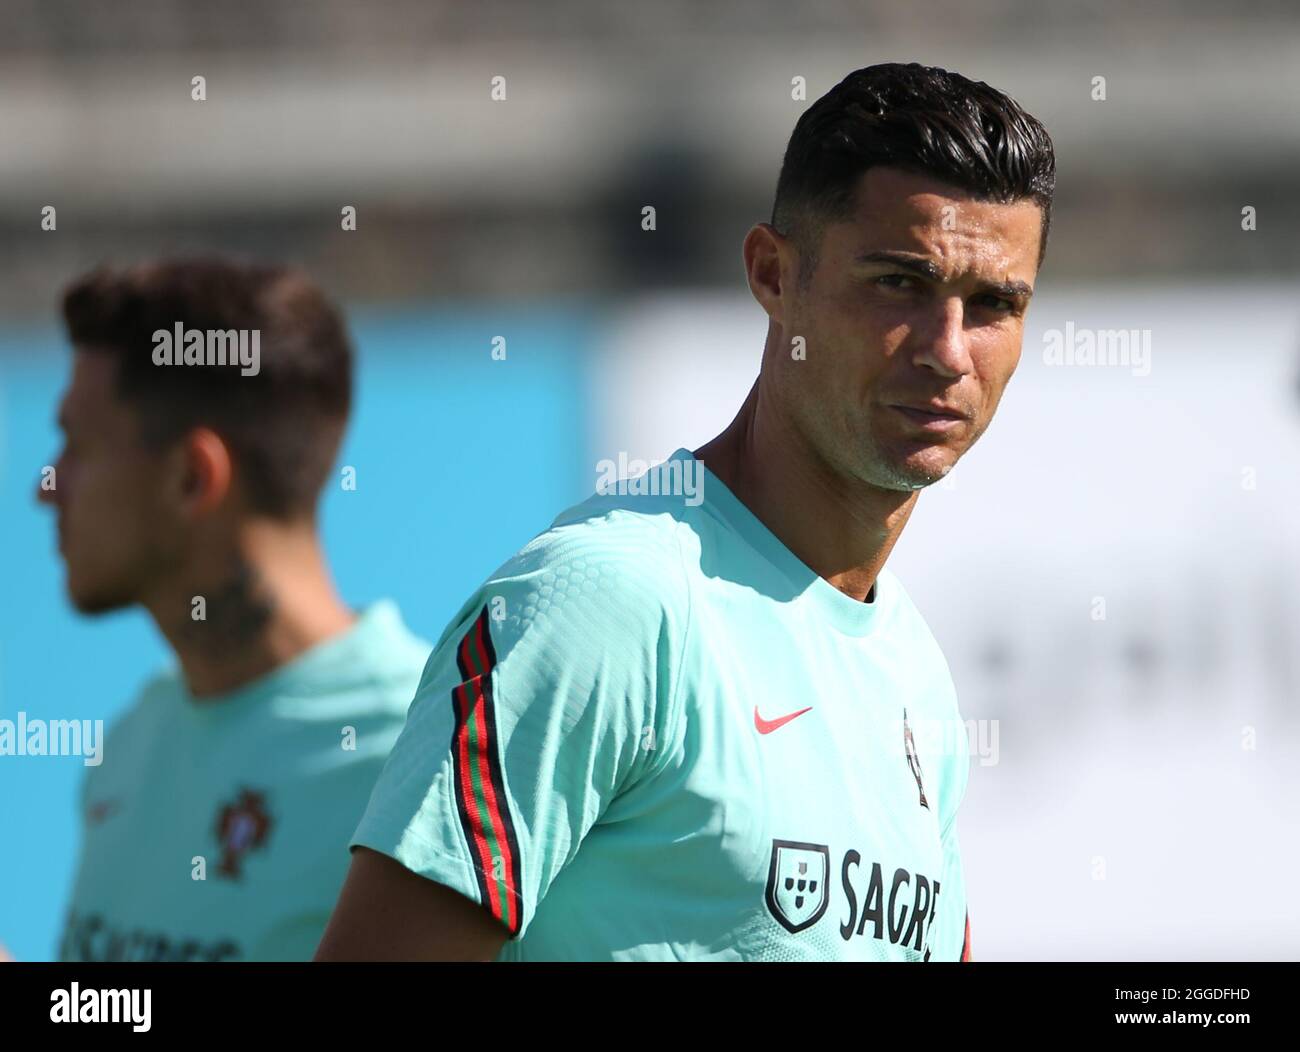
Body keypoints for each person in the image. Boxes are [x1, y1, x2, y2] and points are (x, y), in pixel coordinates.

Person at [316, 61, 1055, 961]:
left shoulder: (915, 676)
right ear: (773, 275)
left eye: (993, 306)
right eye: (899, 284)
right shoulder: (601, 605)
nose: (947, 352)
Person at [40, 257, 430, 961]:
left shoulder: (421, 762)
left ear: (192, 478)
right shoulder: (137, 737)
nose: (47, 487)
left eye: (76, 445)